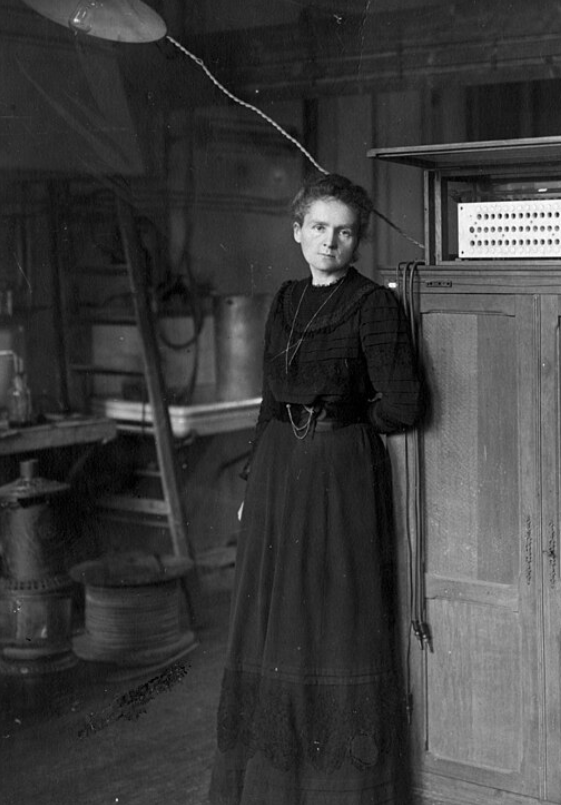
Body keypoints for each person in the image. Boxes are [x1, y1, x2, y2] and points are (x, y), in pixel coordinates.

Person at [210, 173, 423, 804]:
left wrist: (345, 425)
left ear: (357, 242)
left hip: (338, 474)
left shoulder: (374, 305)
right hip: (278, 473)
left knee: (333, 621)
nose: (331, 241)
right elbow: (271, 401)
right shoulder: (283, 301)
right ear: (298, 231)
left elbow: (405, 405)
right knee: (271, 622)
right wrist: (255, 479)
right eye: (320, 228)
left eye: (346, 232)